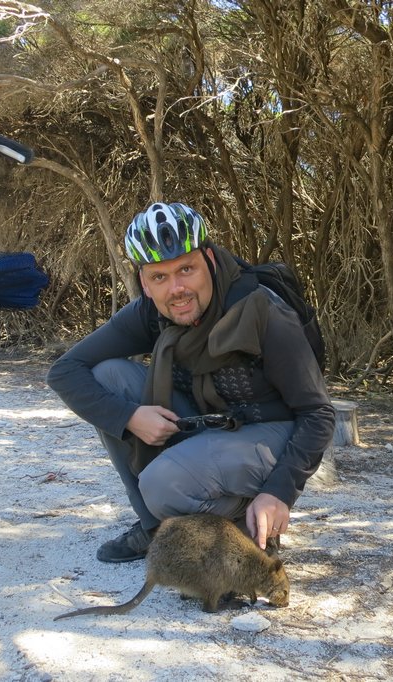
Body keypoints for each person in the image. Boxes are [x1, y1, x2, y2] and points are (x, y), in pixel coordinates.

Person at [46, 201, 335, 563]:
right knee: (109, 377)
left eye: (187, 269)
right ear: (145, 284)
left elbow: (318, 414)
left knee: (163, 484)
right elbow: (65, 371)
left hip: (270, 433)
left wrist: (279, 492)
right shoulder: (151, 311)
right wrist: (130, 416)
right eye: (160, 277)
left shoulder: (262, 310)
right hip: (206, 424)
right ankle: (156, 528)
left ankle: (245, 528)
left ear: (210, 263)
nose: (177, 288)